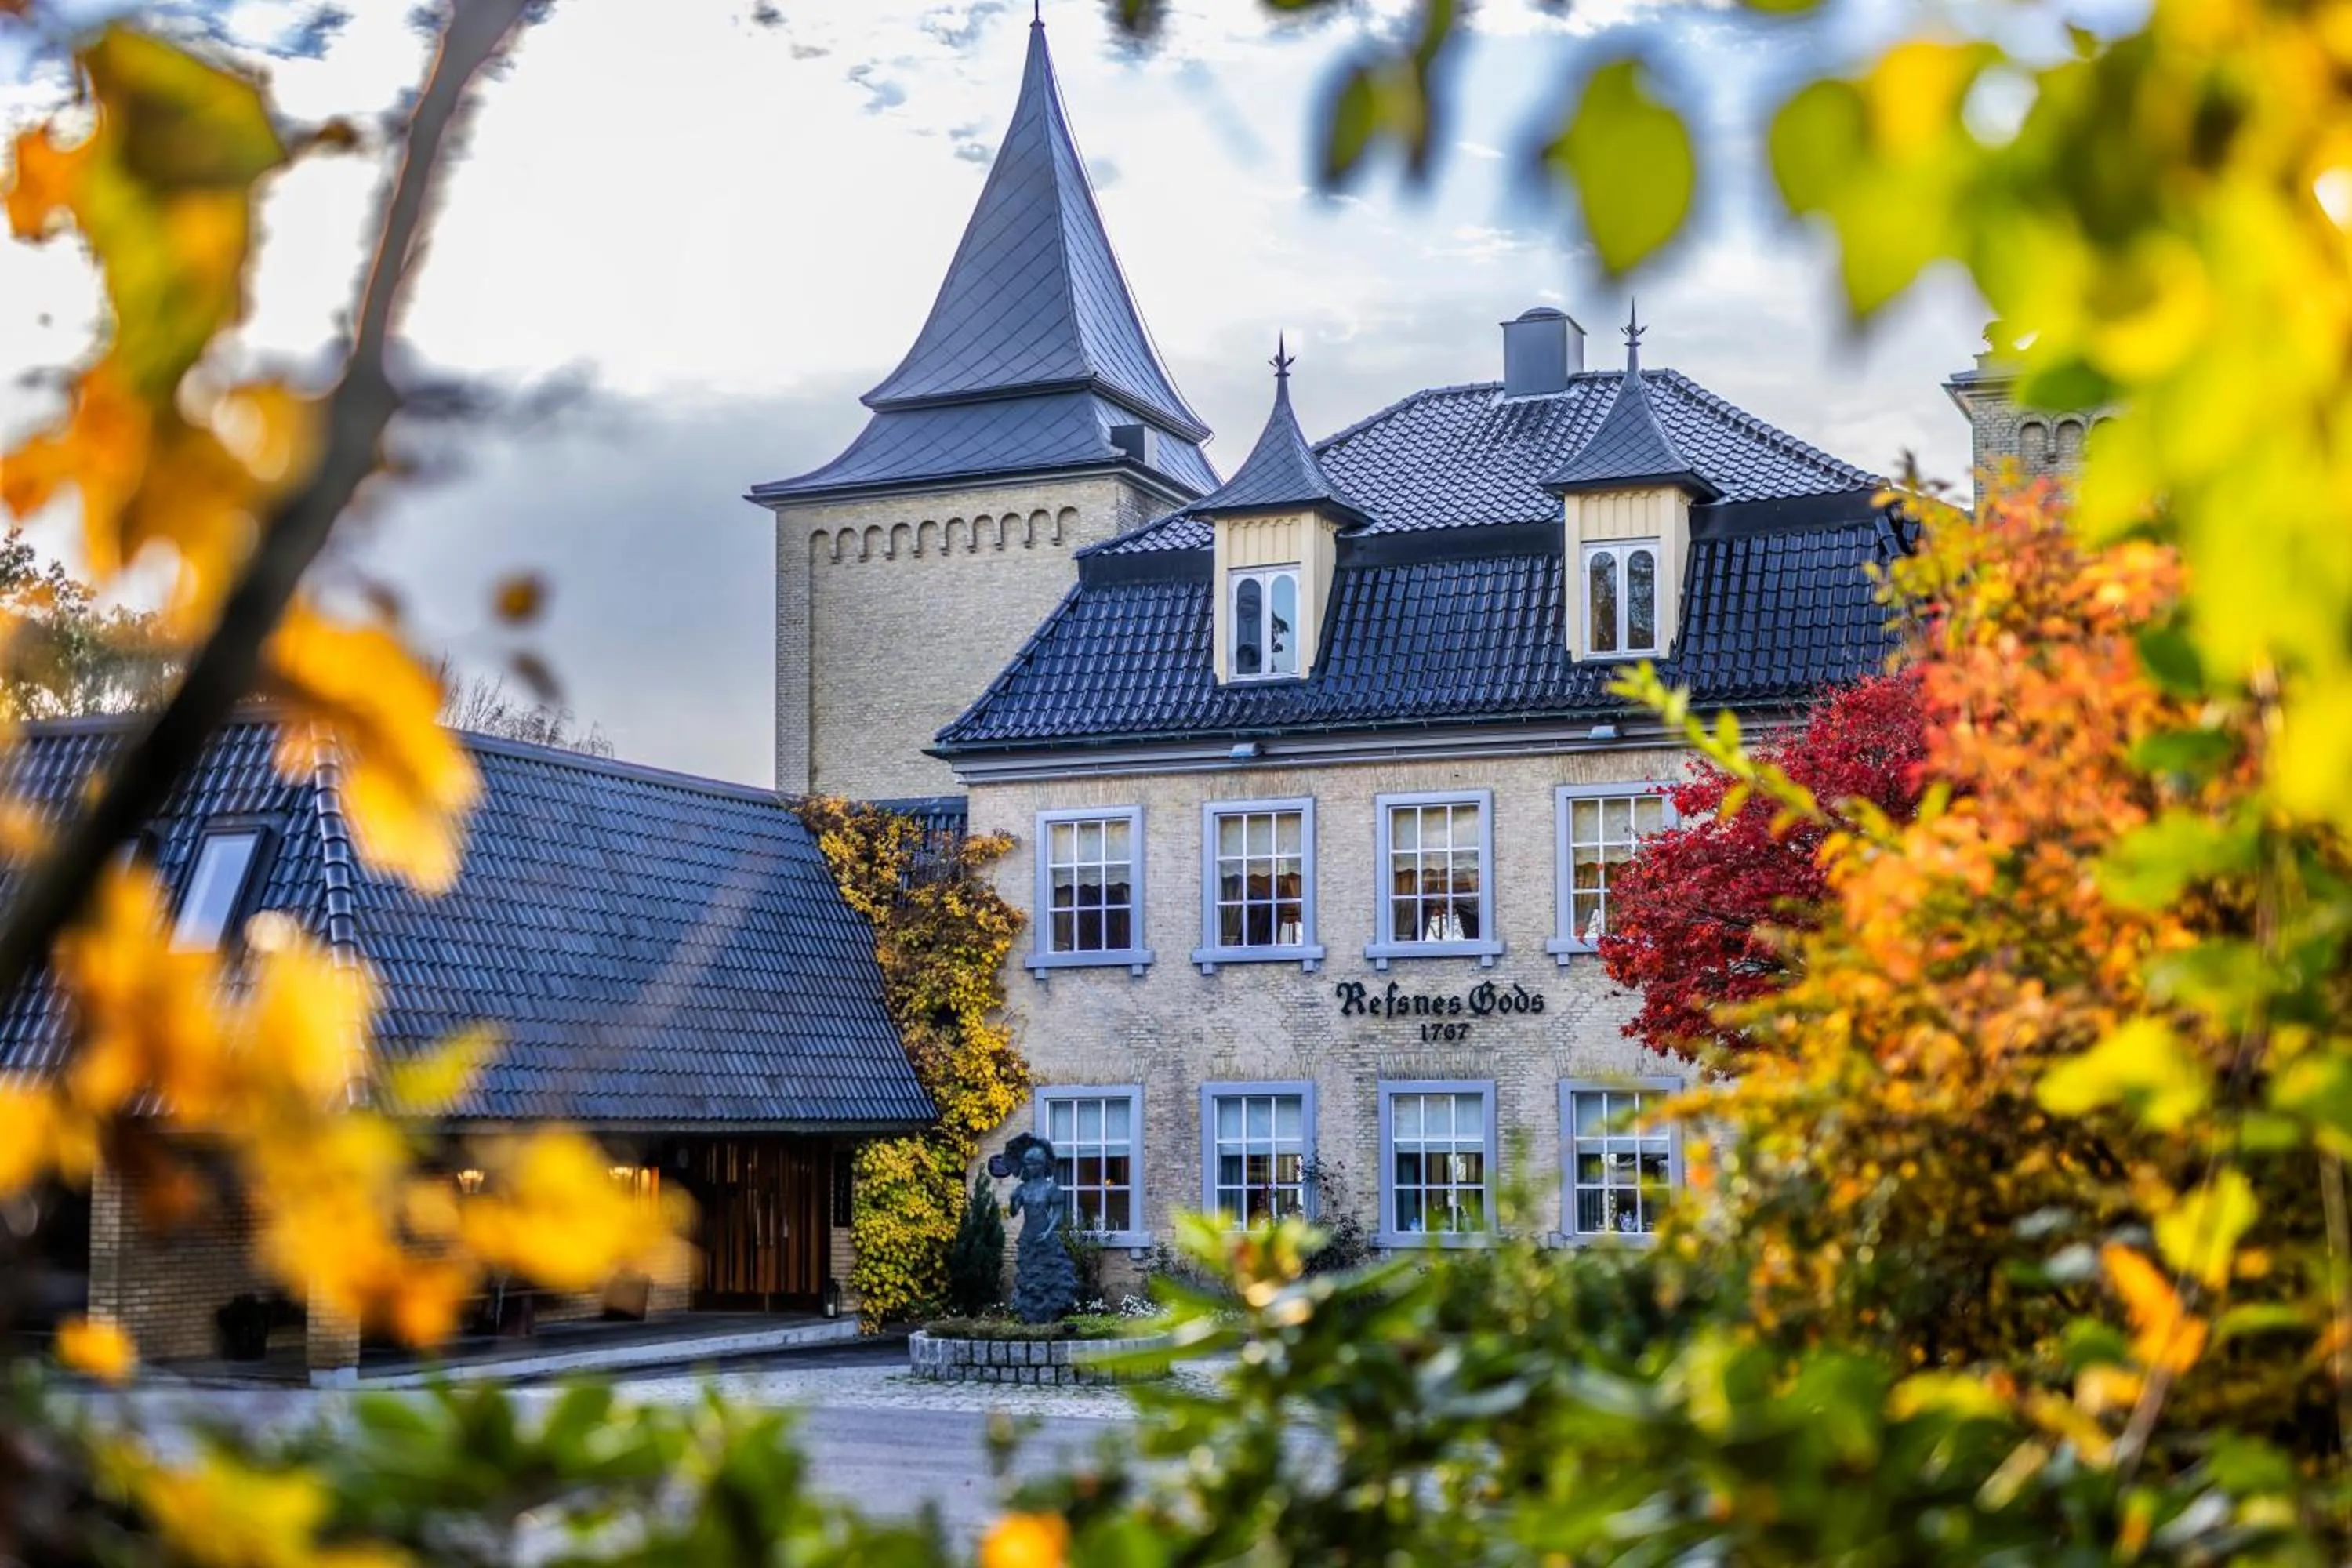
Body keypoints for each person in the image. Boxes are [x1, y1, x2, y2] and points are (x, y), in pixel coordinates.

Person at [1005, 1137, 1079, 1323]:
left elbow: (1058, 1213)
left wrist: (1049, 1232)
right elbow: (1013, 1213)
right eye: (1028, 1164)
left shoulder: (1051, 1188)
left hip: (1045, 1235)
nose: (1031, 1167)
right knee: (1028, 1272)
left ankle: (1049, 1310)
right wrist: (1013, 1200)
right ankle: (1029, 1312)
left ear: (1042, 1165)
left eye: (1035, 1164)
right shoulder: (1023, 1189)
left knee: (1048, 1272)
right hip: (1028, 1235)